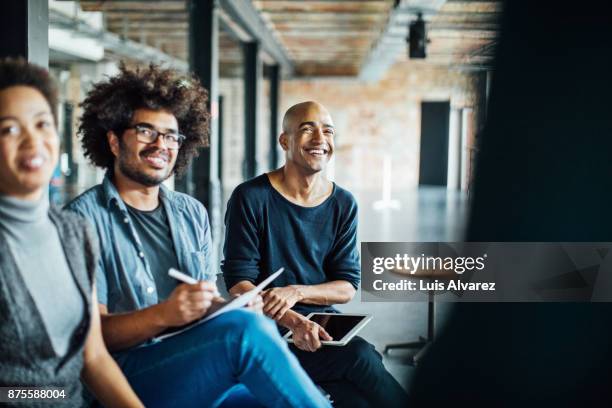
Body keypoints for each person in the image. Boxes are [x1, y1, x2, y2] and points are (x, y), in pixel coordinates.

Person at [65, 64, 330, 408]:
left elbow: (203, 307)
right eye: (146, 131)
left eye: (172, 135)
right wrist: (165, 314)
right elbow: (90, 342)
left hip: (192, 364)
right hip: (125, 377)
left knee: (271, 385)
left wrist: (232, 306)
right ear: (114, 141)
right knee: (244, 336)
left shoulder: (191, 214)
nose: (161, 144)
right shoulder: (82, 221)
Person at [222, 101, 409, 407]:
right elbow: (239, 282)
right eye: (307, 128)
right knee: (361, 357)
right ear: (285, 141)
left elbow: (347, 286)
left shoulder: (343, 203)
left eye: (328, 131)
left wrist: (296, 291)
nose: (320, 138)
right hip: (265, 333)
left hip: (321, 329)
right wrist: (295, 321)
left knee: (356, 395)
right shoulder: (251, 197)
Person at [0, 57, 143, 407]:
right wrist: (52, 395)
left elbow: (93, 358)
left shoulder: (74, 232)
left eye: (42, 124)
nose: (33, 141)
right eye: (9, 129)